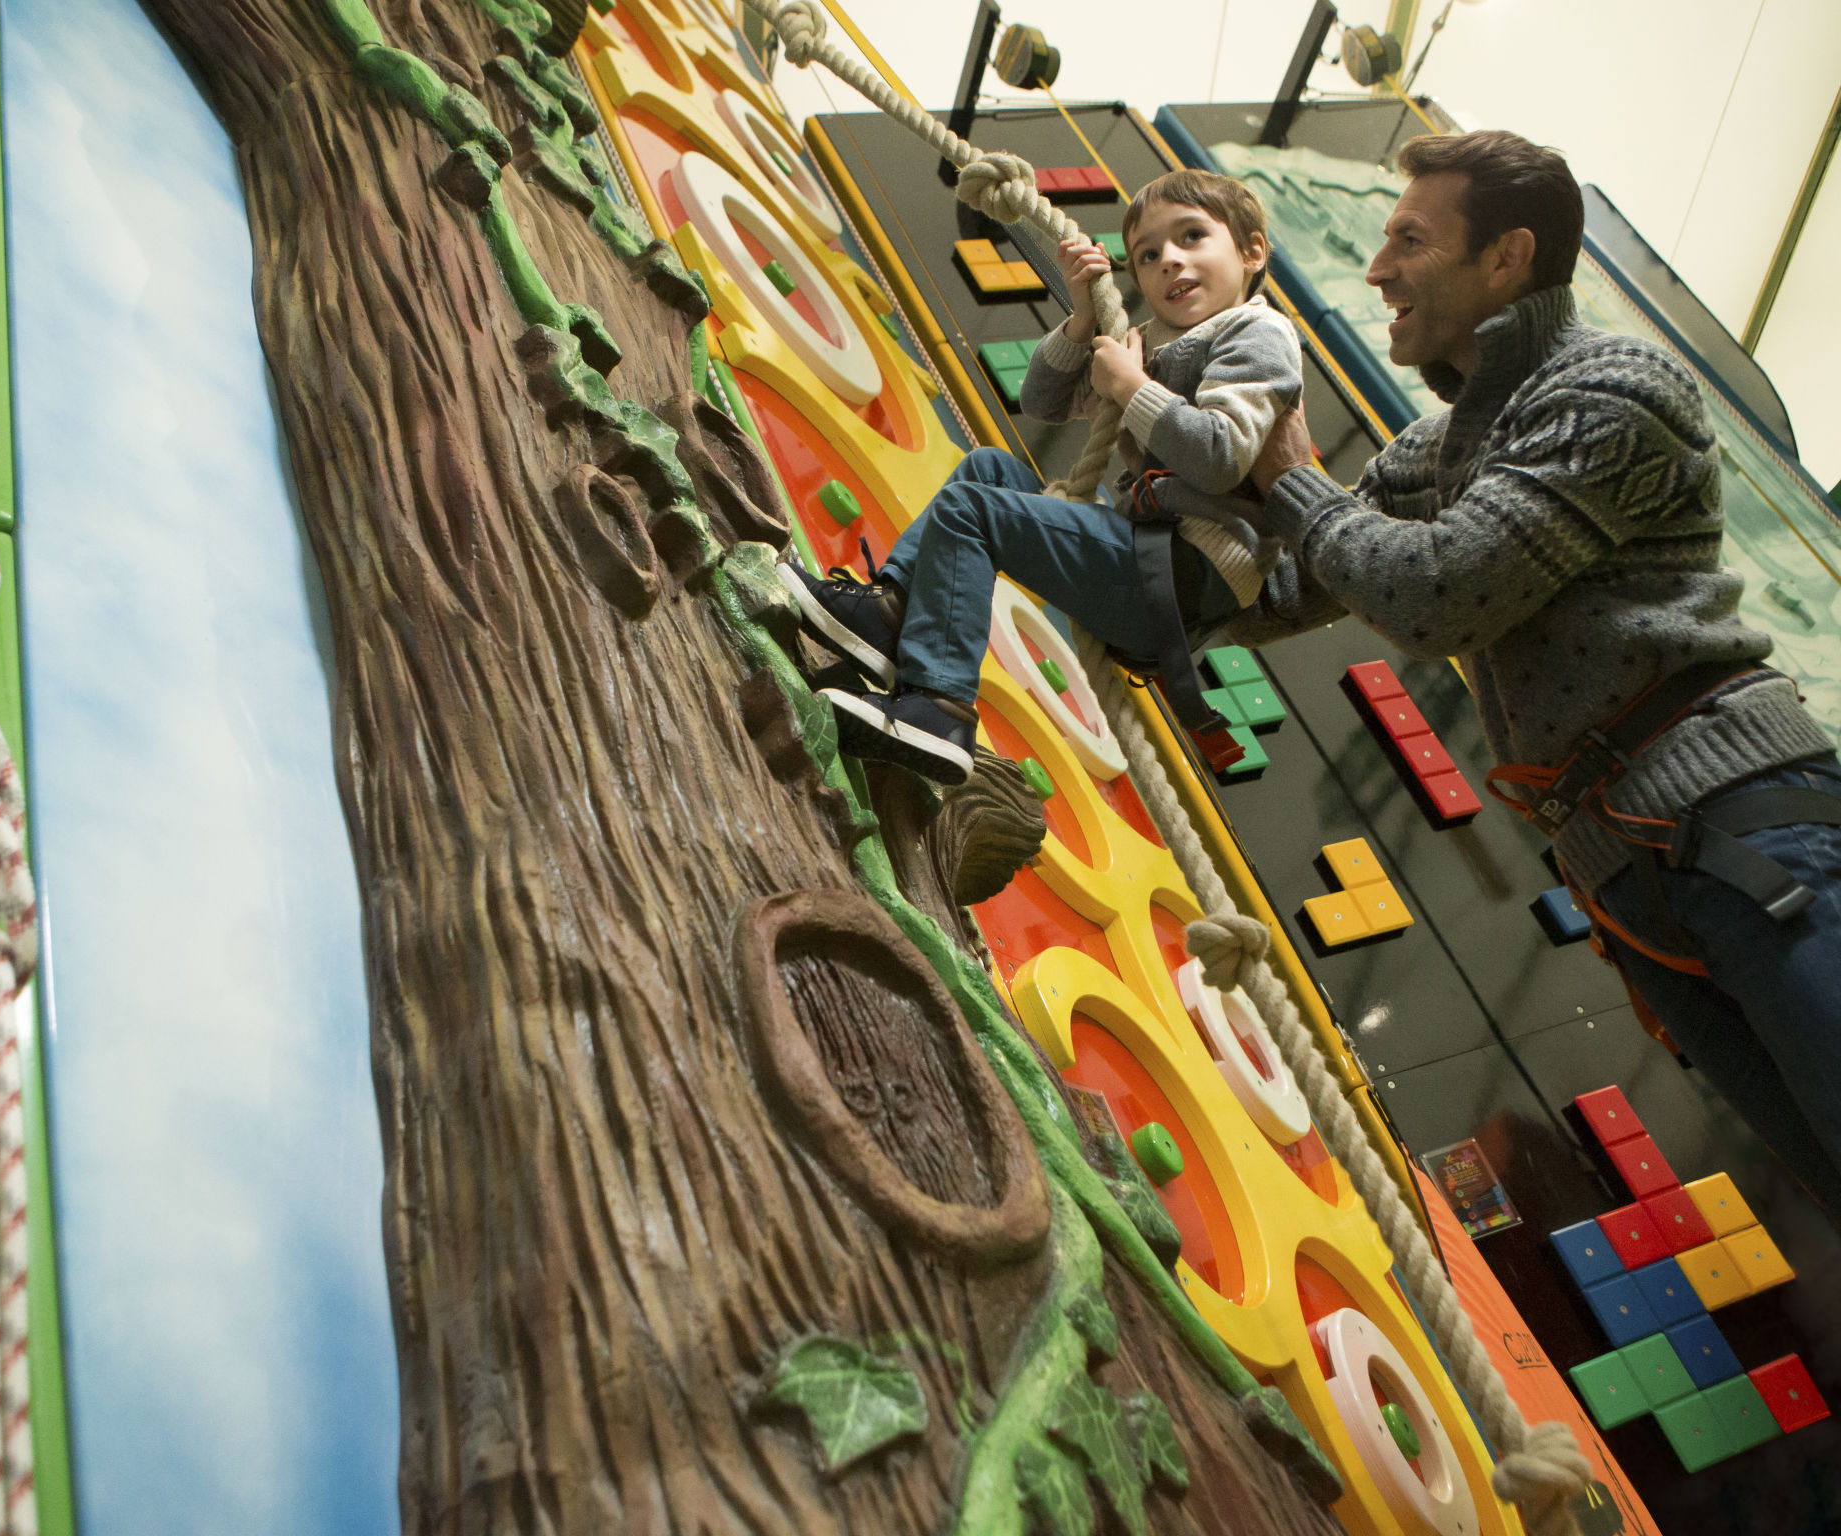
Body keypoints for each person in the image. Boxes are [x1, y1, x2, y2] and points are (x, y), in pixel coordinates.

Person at [1238, 129, 1841, 1220]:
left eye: (1409, 241)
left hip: (1745, 829)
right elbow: (1295, 587)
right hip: (1638, 869)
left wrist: (1290, 483)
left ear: (1506, 259)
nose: (1376, 270)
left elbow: (1433, 593)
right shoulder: (1441, 446)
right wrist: (1158, 459)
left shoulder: (1615, 383)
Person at [778, 169, 1305, 784]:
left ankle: (939, 705)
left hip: (1187, 572)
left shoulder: (1257, 333)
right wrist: (1083, 321)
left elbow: (1221, 454)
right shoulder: (1150, 341)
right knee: (989, 470)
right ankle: (894, 613)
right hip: (1150, 550)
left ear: (1251, 251)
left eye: (1192, 237)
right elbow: (1043, 401)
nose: (1170, 262)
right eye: (1149, 254)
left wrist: (1133, 388)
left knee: (972, 511)